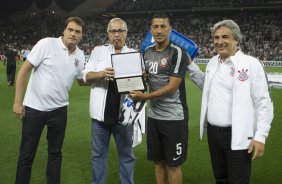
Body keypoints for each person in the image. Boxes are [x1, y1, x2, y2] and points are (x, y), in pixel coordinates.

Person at [188, 19, 274, 184]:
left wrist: (261, 136)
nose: (219, 42)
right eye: (216, 38)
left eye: (225, 37)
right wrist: (190, 65)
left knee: (238, 181)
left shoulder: (251, 64)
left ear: (236, 39)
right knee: (221, 179)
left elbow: (264, 103)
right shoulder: (213, 62)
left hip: (238, 134)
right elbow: (207, 87)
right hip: (213, 134)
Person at [12, 17, 86, 184]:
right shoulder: (46, 44)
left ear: (82, 35)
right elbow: (23, 71)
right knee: (26, 155)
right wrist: (18, 102)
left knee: (55, 154)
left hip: (59, 111)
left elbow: (82, 81)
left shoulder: (80, 55)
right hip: (34, 109)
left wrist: (103, 76)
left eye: (77, 32)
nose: (73, 34)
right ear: (64, 30)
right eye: (71, 30)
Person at [129, 13, 189, 184]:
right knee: (158, 162)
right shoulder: (146, 52)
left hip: (173, 118)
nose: (159, 30)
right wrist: (141, 79)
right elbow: (145, 78)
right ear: (151, 30)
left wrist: (144, 96)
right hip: (154, 117)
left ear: (170, 29)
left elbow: (172, 87)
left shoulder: (177, 52)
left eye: (163, 26)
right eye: (155, 27)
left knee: (173, 165)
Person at [82, 18, 137, 184]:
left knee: (127, 157)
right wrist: (101, 74)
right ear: (108, 34)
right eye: (113, 31)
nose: (117, 35)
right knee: (98, 156)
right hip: (100, 118)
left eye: (120, 31)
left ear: (126, 33)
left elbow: (139, 85)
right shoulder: (98, 52)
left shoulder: (133, 54)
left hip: (124, 117)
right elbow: (85, 76)